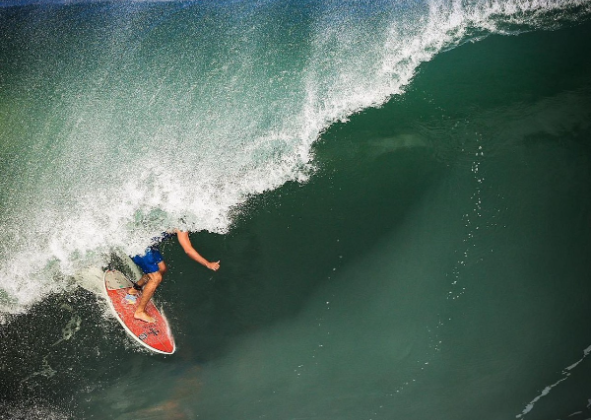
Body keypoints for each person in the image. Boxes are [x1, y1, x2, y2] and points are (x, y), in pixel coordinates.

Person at [127, 229, 220, 323]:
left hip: (148, 243)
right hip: (140, 245)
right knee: (156, 278)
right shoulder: (183, 224)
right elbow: (188, 250)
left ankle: (134, 290)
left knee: (161, 269)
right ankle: (139, 312)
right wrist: (207, 264)